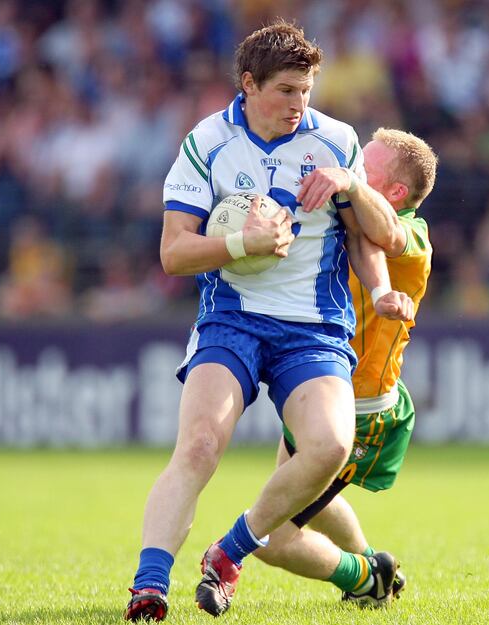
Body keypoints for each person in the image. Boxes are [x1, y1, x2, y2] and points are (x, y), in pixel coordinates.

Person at [124, 21, 414, 622]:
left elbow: (374, 239)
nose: (298, 104)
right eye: (285, 91)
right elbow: (174, 253)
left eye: (306, 90)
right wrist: (242, 244)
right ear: (249, 85)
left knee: (330, 447)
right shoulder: (206, 143)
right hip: (233, 320)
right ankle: (149, 587)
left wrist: (363, 219)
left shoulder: (335, 141)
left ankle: (228, 551)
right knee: (200, 446)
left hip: (313, 329)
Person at [254, 128, 437, 606]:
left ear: (394, 192)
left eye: (364, 169)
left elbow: (390, 237)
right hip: (321, 386)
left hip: (360, 410)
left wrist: (351, 185)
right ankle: (376, 575)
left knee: (271, 538)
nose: (349, 170)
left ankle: (362, 576)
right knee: (314, 503)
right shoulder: (346, 225)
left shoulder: (412, 239)